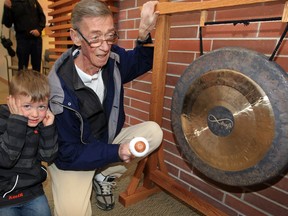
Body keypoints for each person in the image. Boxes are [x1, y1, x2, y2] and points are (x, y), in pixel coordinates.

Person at [48, 0, 162, 215]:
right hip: (71, 157)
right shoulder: (58, 90)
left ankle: (103, 175)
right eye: (95, 37)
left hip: (104, 140)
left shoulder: (113, 60)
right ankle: (92, 172)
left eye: (110, 35)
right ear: (75, 37)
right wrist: (116, 151)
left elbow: (144, 60)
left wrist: (145, 30)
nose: (105, 45)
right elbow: (69, 152)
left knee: (153, 133)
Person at [0, 70, 58, 216]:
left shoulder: (42, 122)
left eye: (41, 107)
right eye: (27, 106)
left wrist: (48, 129)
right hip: (3, 193)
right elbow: (6, 159)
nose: (35, 114)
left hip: (32, 190)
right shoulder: (2, 120)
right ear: (11, 101)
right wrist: (17, 121)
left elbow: (48, 157)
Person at [2, 0, 46, 72]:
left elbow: (42, 16)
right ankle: (22, 83)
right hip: (22, 40)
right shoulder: (12, 2)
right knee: (22, 68)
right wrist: (7, 8)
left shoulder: (34, 1)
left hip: (36, 39)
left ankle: (36, 83)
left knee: (37, 67)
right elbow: (8, 24)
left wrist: (39, 29)